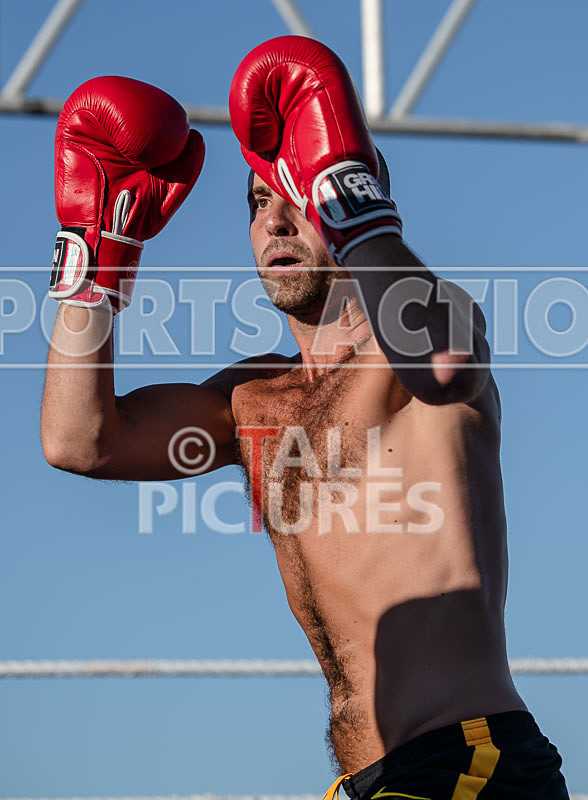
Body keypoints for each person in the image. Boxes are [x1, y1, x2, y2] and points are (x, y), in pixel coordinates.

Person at [42, 37, 569, 800]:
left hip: (469, 761)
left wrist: (350, 198)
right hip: (368, 781)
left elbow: (445, 364)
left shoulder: (420, 335)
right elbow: (78, 441)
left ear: (357, 197)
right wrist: (94, 254)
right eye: (260, 203)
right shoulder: (248, 401)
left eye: (301, 196)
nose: (278, 223)